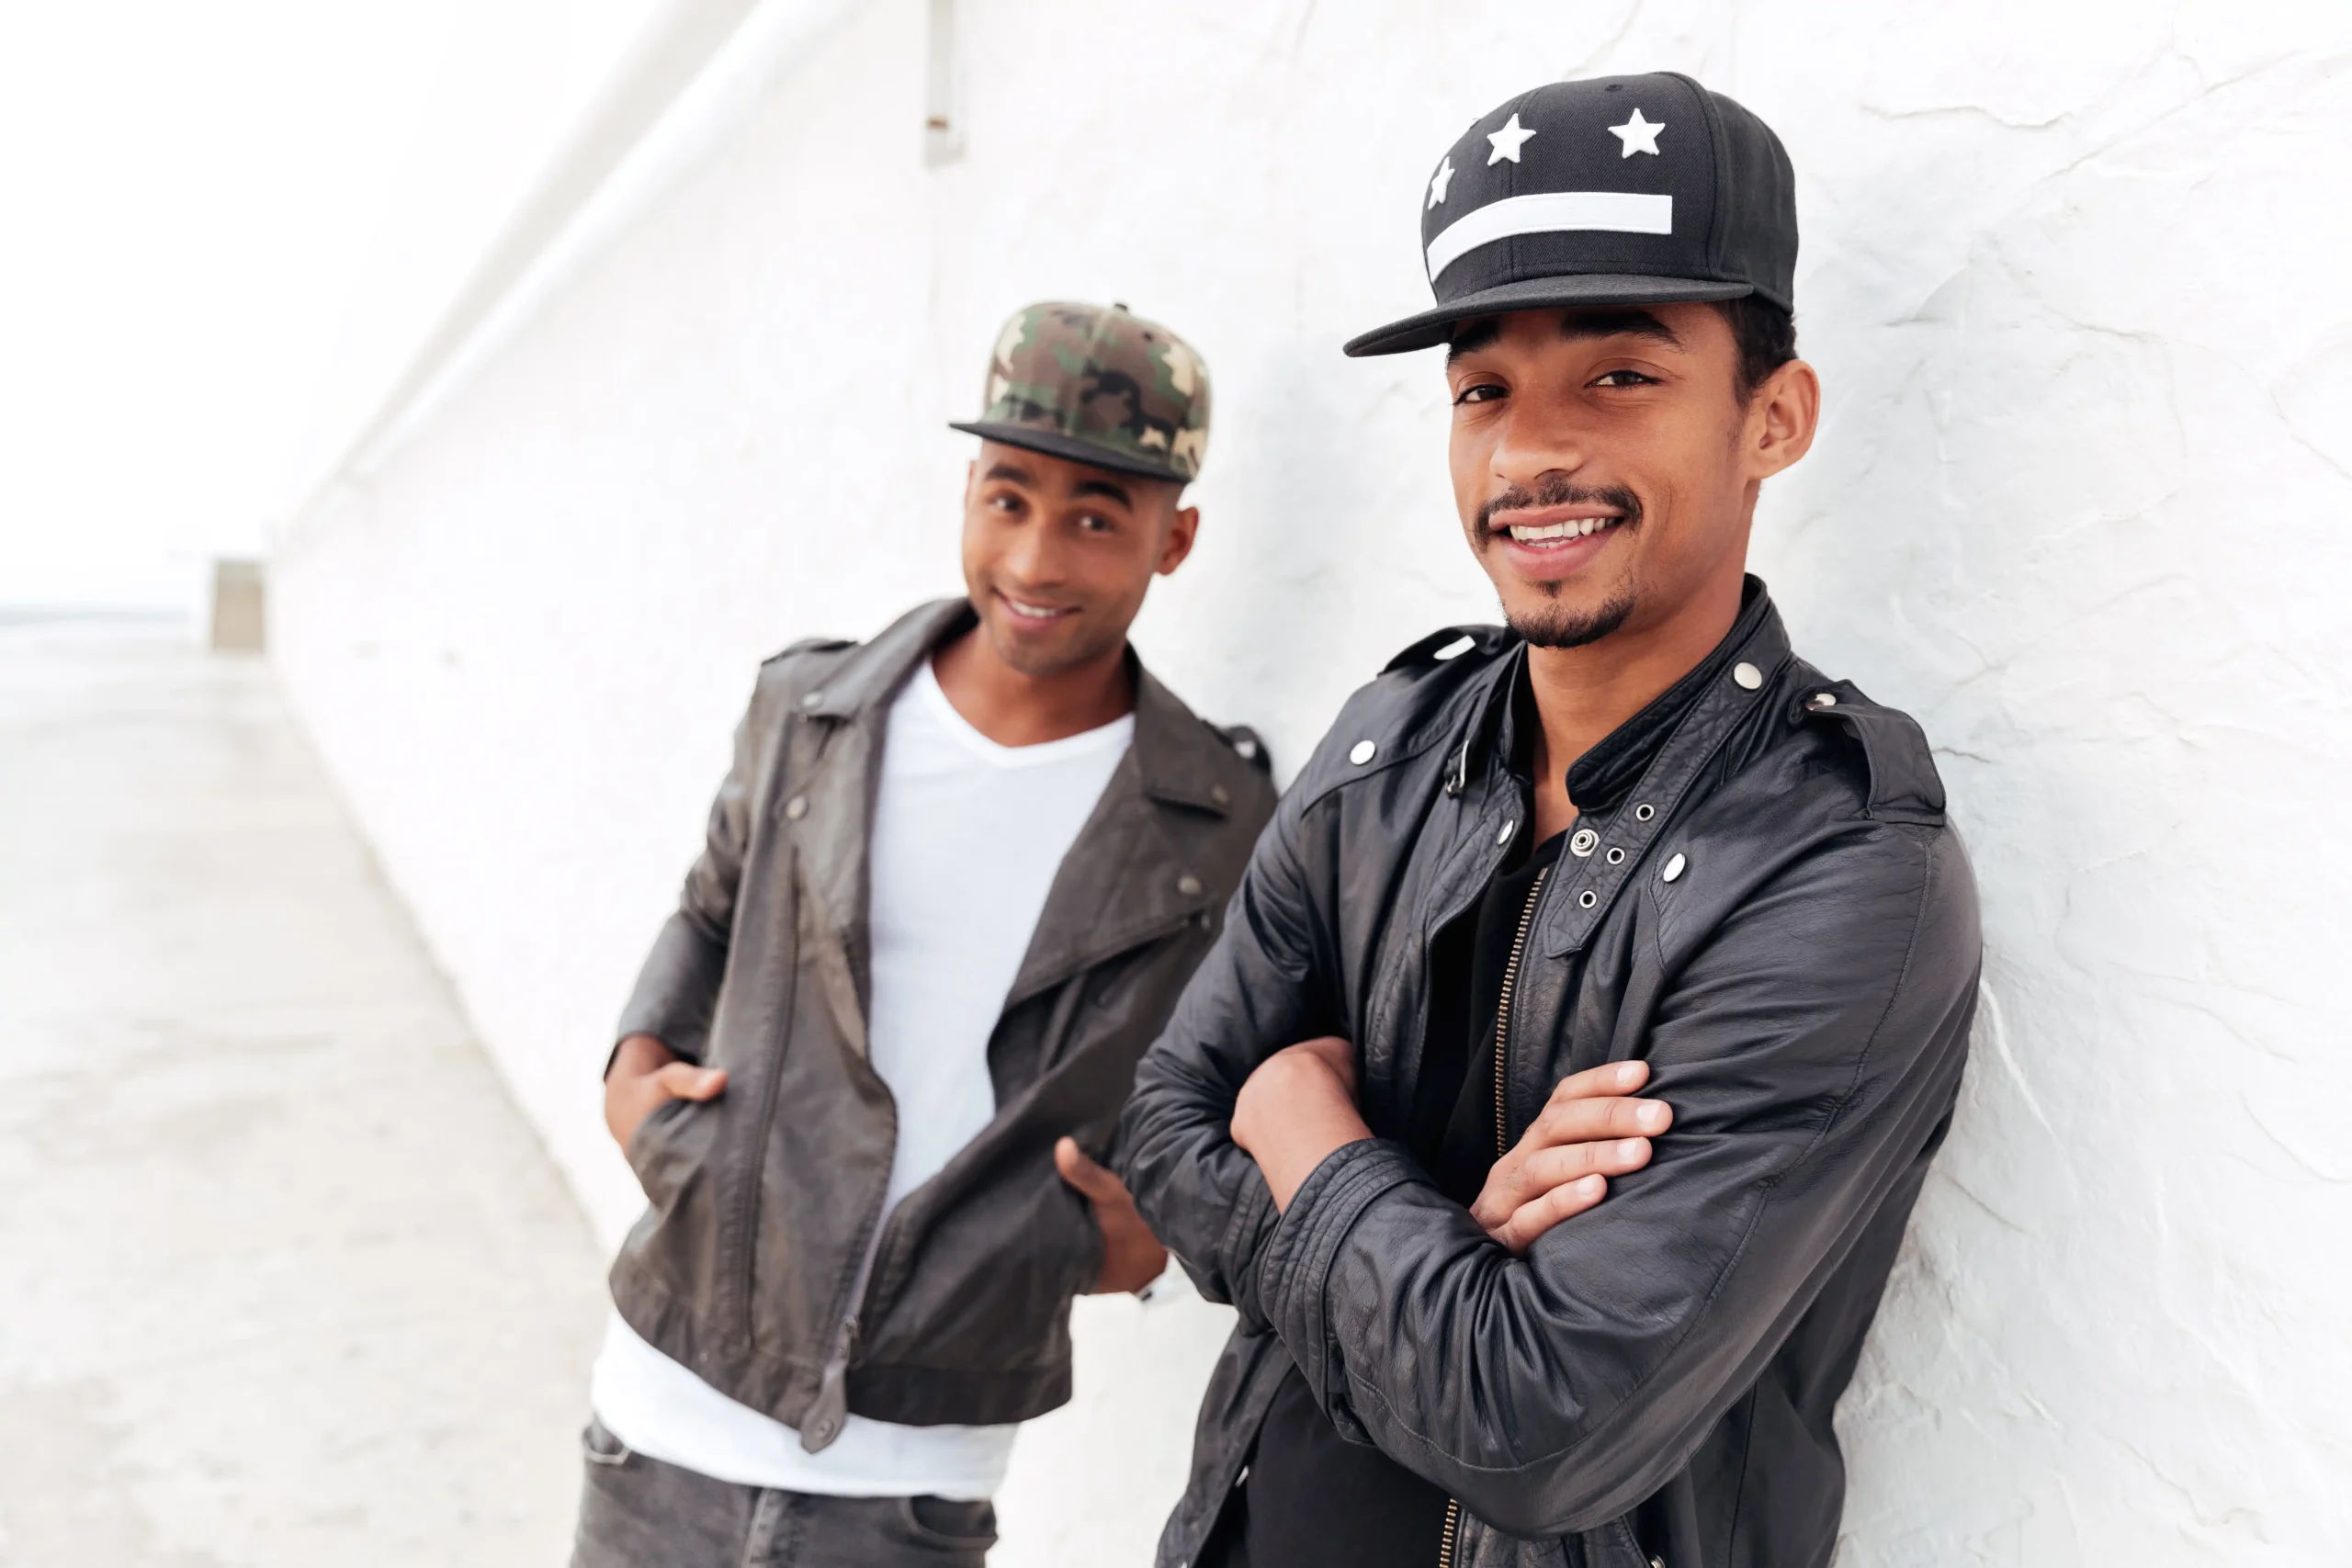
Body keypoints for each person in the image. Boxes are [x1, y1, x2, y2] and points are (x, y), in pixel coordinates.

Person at [1118, 73, 1982, 1568]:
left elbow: (1537, 1422)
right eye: (1483, 389)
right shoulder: (1394, 744)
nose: (1528, 455)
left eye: (1619, 377)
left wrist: (1303, 1120)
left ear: (1774, 416)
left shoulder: (1844, 868)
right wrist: (1451, 1234)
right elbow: (1163, 1119)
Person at [573, 301, 1277, 1567]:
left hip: (923, 1467)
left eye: (1096, 516)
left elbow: (1220, 1082)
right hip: (667, 1413)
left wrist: (1151, 1239)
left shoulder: (1212, 821)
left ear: (1175, 539)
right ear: (968, 491)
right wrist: (633, 1078)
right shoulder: (813, 709)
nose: (1037, 557)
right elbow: (711, 907)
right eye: (1008, 498)